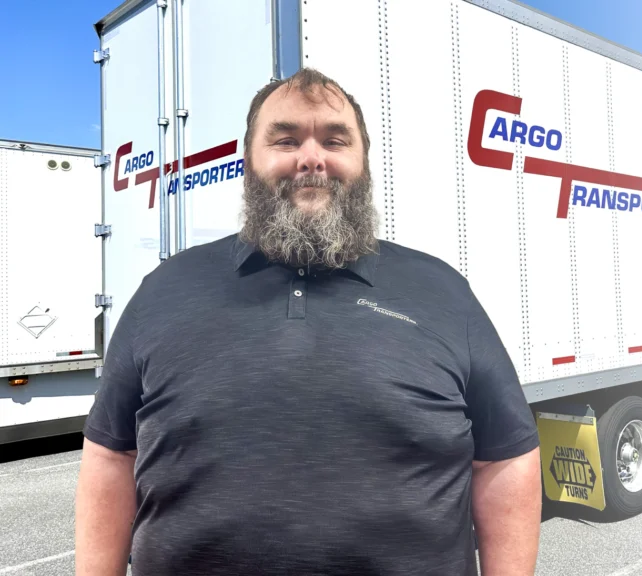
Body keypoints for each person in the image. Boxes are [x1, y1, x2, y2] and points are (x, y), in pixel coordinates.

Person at [75, 67, 542, 576]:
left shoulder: (443, 291)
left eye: (335, 140)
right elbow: (109, 456)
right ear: (249, 160)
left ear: (363, 161)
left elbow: (504, 457)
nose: (312, 159)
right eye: (286, 139)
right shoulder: (164, 289)